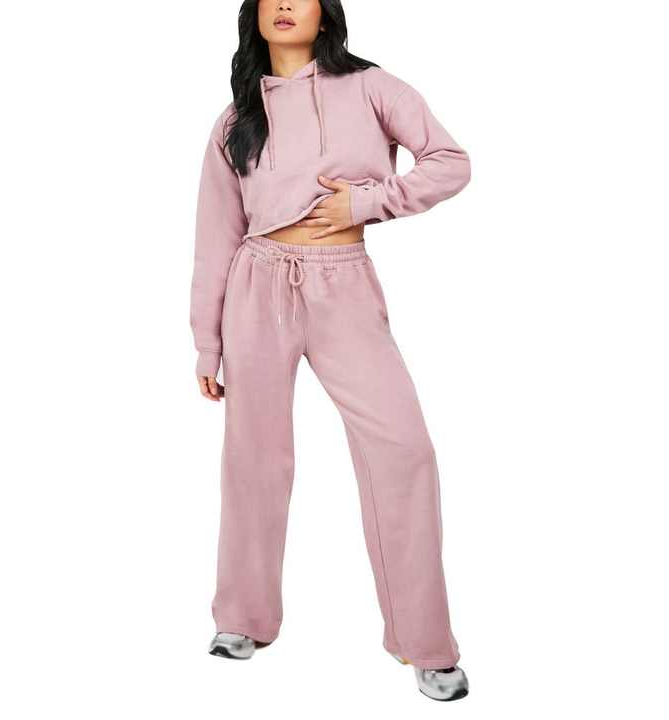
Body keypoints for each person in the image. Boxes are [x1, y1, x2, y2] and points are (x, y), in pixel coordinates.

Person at [190, 0, 471, 702]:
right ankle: (241, 618)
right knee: (254, 457)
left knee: (404, 449)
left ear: (327, 11)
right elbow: (215, 234)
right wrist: (206, 342)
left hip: (342, 283)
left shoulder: (374, 87)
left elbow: (450, 162)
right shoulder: (235, 120)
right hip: (257, 283)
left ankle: (425, 643)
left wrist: (368, 202)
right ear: (254, 14)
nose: (285, 4)